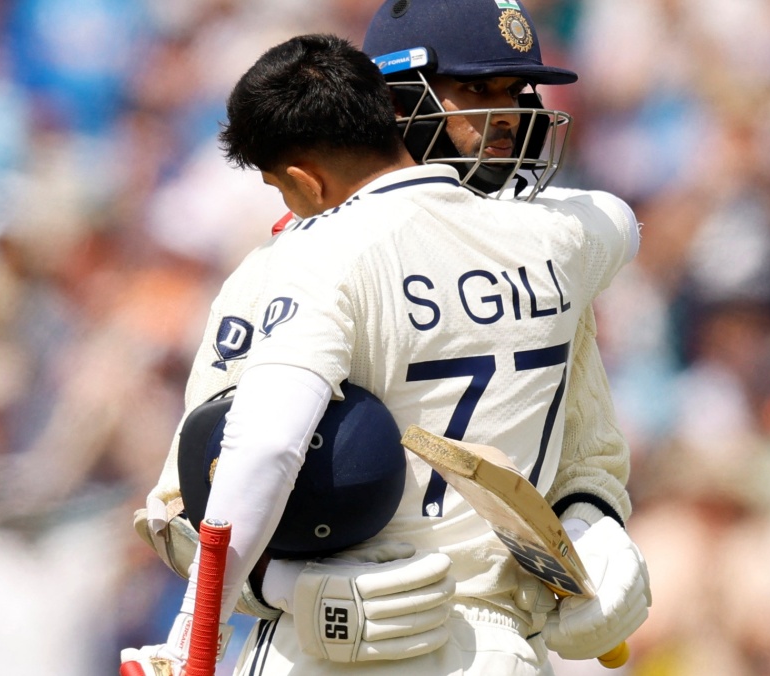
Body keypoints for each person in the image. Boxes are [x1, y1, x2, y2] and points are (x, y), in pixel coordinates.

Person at [125, 32, 644, 675]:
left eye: (515, 92)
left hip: (330, 655)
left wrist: (595, 523)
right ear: (390, 105)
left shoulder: (309, 257)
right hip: (492, 652)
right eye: (475, 89)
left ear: (300, 179)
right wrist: (284, 585)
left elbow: (228, 470)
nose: (506, 116)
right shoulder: (560, 241)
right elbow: (617, 219)